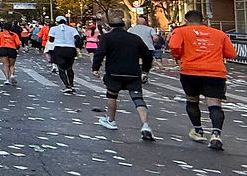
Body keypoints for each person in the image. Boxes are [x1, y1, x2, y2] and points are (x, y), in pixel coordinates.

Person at [169, 9, 236, 151]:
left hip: (190, 71)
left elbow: (174, 46)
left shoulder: (181, 32)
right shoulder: (219, 34)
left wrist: (178, 56)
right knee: (215, 104)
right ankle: (216, 134)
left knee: (192, 100)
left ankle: (198, 130)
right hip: (215, 72)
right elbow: (231, 53)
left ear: (186, 21)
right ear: (203, 20)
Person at [92, 11, 155, 140]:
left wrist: (95, 68)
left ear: (110, 26)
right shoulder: (134, 38)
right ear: (124, 25)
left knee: (112, 96)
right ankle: (145, 124)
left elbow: (100, 53)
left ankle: (111, 120)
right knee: (138, 98)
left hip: (114, 72)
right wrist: (146, 69)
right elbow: (147, 55)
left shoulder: (106, 38)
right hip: (133, 72)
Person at [45, 15, 81, 93]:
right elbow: (78, 38)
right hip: (71, 49)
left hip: (59, 49)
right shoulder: (72, 29)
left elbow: (51, 39)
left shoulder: (53, 29)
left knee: (61, 68)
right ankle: (72, 85)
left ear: (57, 22)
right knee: (69, 68)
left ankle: (67, 86)